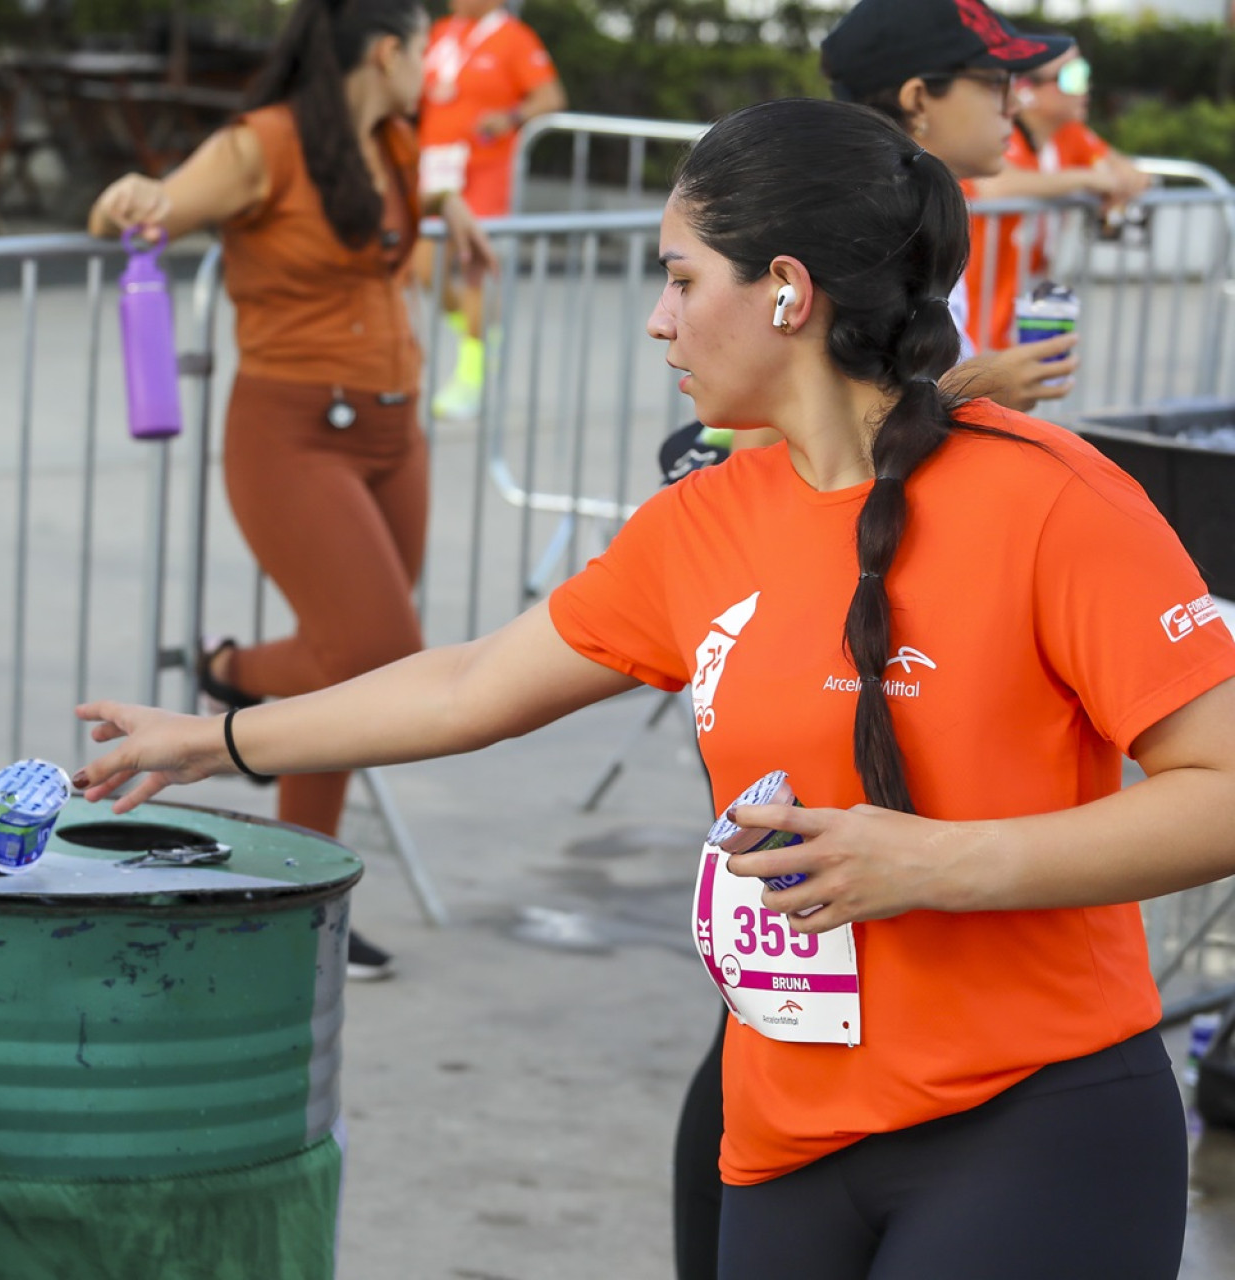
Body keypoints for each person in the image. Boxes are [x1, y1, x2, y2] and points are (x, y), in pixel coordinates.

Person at [78, 95, 1235, 1278]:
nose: (655, 319)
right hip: (784, 1131)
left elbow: (1224, 789)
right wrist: (214, 737)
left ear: (786, 289)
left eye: (681, 279)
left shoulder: (1053, 498)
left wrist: (935, 862)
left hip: (1038, 1119)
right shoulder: (700, 523)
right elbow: (472, 681)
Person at [664, 5, 1090, 1270]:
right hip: (811, 1015)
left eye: (679, 282)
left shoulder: (1052, 495)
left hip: (1004, 1076)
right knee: (778, 1016)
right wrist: (969, 391)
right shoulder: (785, 221)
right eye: (993, 85)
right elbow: (770, 443)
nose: (1014, 109)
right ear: (917, 100)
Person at [86, 0, 495, 982]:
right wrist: (134, 192)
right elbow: (143, 212)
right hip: (294, 430)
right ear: (387, 49)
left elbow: (403, 228)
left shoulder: (395, 143)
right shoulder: (260, 143)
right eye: (425, 47)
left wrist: (448, 208)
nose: (431, 68)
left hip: (393, 429)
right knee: (380, 658)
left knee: (352, 681)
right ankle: (233, 670)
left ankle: (304, 897)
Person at [415, 0, 563, 420]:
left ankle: (470, 373)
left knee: (472, 267)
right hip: (435, 168)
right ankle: (481, 333)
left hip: (484, 171)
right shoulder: (443, 29)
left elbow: (549, 96)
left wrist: (511, 116)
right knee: (424, 269)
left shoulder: (514, 37)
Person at [962, 40, 1151, 353]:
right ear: (1026, 89)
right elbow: (994, 186)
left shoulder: (1069, 133)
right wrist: (1088, 179)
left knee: (1038, 386)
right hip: (976, 312)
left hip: (1031, 298)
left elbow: (1127, 173)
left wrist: (1111, 181)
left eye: (1085, 74)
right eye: (1073, 76)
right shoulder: (997, 131)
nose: (1085, 87)